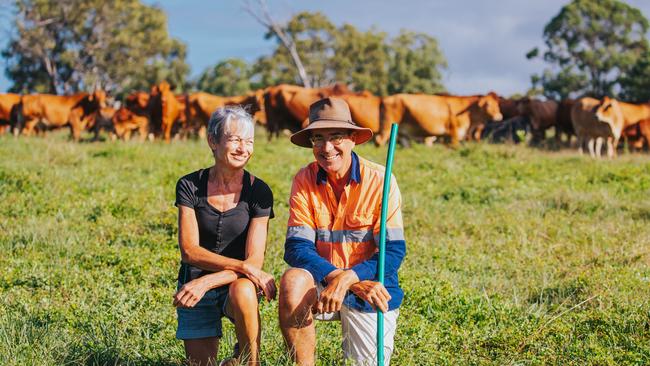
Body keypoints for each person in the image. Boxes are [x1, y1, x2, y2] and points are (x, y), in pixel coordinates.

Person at [278, 97, 406, 365]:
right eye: (317, 139)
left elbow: (393, 251)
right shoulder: (304, 179)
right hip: (325, 281)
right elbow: (296, 248)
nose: (326, 148)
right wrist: (343, 279)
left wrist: (352, 279)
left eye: (336, 136)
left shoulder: (381, 180)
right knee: (292, 281)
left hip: (371, 289)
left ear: (352, 139)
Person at [173, 106, 276, 366]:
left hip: (235, 285)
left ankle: (249, 360)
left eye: (249, 141)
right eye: (235, 140)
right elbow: (190, 251)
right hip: (193, 286)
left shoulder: (259, 191)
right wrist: (205, 281)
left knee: (243, 288)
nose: (243, 148)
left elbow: (254, 262)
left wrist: (209, 281)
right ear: (212, 140)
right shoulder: (189, 185)